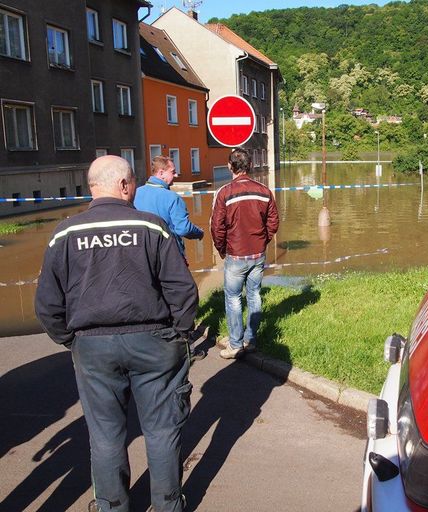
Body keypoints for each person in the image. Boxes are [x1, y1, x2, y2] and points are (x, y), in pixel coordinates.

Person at [35, 155, 198, 512]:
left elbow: (47, 304)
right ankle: (168, 505)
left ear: (93, 187)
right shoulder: (152, 227)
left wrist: (71, 340)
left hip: (93, 346)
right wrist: (181, 335)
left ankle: (111, 506)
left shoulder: (65, 233)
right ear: (124, 185)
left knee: (105, 434)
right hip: (154, 342)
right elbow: (182, 291)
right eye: (134, 182)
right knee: (161, 430)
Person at [210, 148, 279, 359]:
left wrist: (222, 249)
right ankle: (251, 340)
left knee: (233, 298)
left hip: (235, 254)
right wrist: (262, 240)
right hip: (257, 254)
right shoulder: (264, 191)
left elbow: (217, 227)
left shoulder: (224, 193)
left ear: (230, 166)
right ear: (249, 166)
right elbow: (273, 222)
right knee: (254, 294)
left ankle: (235, 344)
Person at [134, 155, 204, 262]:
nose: (176, 175)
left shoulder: (135, 193)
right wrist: (199, 232)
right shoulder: (172, 197)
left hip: (141, 254)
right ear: (161, 173)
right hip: (168, 255)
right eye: (173, 172)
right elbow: (183, 229)